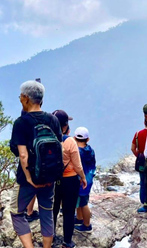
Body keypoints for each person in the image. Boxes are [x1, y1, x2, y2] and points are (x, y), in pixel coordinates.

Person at [10, 80, 63, 248]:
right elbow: (58, 149)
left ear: (25, 98)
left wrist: (29, 177)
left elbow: (23, 155)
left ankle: (29, 247)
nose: (20, 99)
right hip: (49, 177)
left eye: (20, 97)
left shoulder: (21, 122)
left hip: (28, 179)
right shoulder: (53, 120)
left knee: (16, 212)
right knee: (47, 212)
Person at [52, 123, 87, 248]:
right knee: (68, 211)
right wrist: (83, 177)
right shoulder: (70, 142)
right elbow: (77, 165)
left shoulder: (49, 137)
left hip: (53, 179)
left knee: (53, 209)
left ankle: (50, 237)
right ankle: (67, 242)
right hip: (70, 180)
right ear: (65, 127)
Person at [74, 127, 96, 233]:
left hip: (80, 180)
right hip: (89, 178)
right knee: (81, 199)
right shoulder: (90, 150)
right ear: (88, 139)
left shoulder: (76, 152)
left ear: (74, 138)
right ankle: (79, 218)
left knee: (83, 203)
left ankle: (87, 225)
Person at [131, 121, 147, 205]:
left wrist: (138, 156)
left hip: (141, 161)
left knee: (143, 182)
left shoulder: (138, 134)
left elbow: (133, 148)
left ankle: (143, 202)